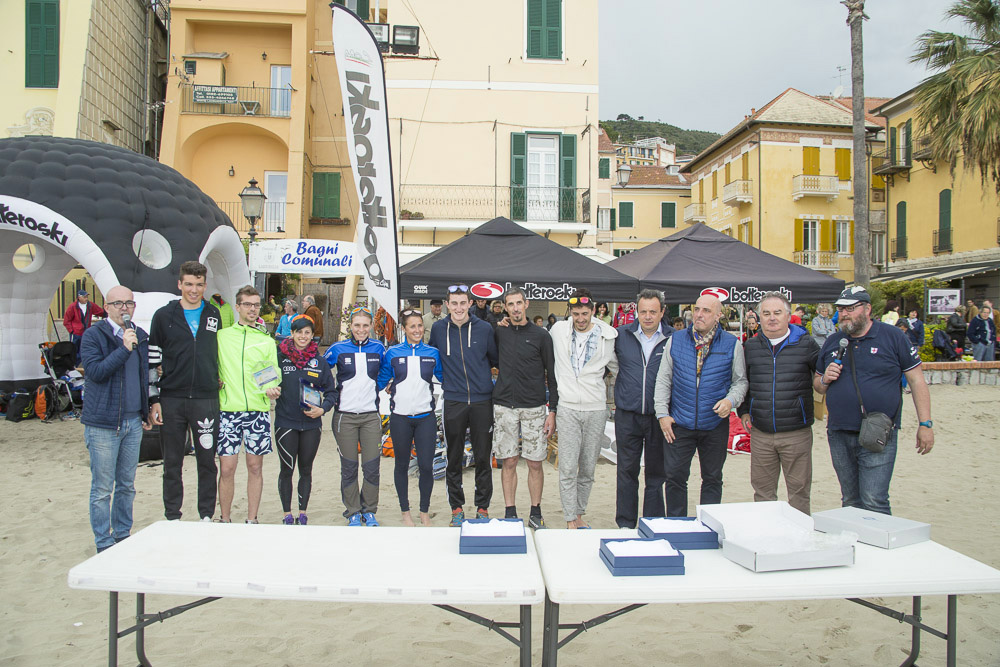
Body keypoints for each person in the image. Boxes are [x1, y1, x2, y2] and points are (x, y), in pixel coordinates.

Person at [814, 286, 934, 515]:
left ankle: (878, 550)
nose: (844, 314)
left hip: (879, 430)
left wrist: (925, 423)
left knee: (874, 500)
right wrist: (825, 379)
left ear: (867, 309)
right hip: (839, 431)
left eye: (850, 308)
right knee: (850, 500)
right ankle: (856, 547)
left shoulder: (893, 337)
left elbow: (917, 381)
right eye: (841, 309)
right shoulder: (834, 341)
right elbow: (818, 384)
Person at [654, 293, 747, 517]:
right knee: (675, 477)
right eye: (697, 309)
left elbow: (740, 381)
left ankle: (709, 526)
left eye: (706, 311)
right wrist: (662, 414)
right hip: (680, 422)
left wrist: (730, 400)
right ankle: (677, 525)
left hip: (714, 424)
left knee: (713, 478)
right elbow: (663, 379)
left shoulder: (732, 344)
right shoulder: (676, 340)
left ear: (718, 316)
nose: (699, 314)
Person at [80, 286, 154, 552]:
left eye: (129, 303)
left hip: (133, 422)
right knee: (102, 488)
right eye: (118, 303)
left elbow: (143, 375)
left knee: (126, 484)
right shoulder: (93, 335)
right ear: (107, 307)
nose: (124, 308)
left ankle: (122, 534)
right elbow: (96, 372)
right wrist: (123, 348)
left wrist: (147, 407)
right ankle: (103, 541)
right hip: (103, 423)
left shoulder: (140, 336)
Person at [148, 261, 221, 522]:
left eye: (199, 285)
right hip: (172, 399)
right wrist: (153, 399)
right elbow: (152, 360)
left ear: (205, 286)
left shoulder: (214, 314)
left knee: (207, 462)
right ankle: (172, 516)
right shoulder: (163, 316)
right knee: (172, 463)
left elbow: (218, 354)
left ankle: (206, 516)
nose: (194, 290)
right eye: (189, 284)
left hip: (206, 399)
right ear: (179, 284)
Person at [738, 292, 820, 515]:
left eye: (777, 313)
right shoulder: (751, 347)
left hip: (796, 432)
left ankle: (800, 538)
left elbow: (822, 378)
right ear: (759, 317)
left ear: (788, 316)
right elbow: (743, 381)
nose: (772, 318)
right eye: (766, 313)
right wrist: (744, 411)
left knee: (799, 492)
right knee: (763, 492)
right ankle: (768, 538)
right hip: (761, 433)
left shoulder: (807, 344)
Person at [429, 285, 498, 526]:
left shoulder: (485, 328)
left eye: (463, 303)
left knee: (483, 456)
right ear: (447, 305)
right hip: (454, 400)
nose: (458, 308)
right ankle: (456, 508)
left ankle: (482, 507)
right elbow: (431, 360)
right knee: (453, 456)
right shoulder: (438, 329)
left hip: (482, 401)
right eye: (454, 303)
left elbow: (495, 360)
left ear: (470, 303)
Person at [549, 289, 617, 529]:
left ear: (594, 310)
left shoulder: (608, 337)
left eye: (584, 313)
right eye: (576, 313)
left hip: (596, 409)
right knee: (567, 467)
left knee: (588, 468)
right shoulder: (558, 331)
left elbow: (618, 370)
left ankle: (579, 514)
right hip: (567, 408)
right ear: (571, 312)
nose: (580, 318)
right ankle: (569, 519)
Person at [494, 287, 558, 529]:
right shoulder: (499, 332)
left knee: (535, 462)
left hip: (534, 408)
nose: (516, 308)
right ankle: (510, 512)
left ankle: (535, 512)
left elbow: (552, 375)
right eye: (511, 304)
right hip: (504, 407)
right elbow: (490, 359)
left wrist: (553, 410)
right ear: (505, 307)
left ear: (526, 304)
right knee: (509, 461)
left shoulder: (542, 336)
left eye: (519, 303)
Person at [216, 286, 281, 524]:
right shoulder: (222, 337)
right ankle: (225, 518)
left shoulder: (265, 340)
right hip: (228, 411)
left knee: (255, 467)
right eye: (247, 304)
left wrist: (272, 388)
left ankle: (252, 519)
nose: (252, 309)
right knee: (227, 469)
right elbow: (210, 365)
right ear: (238, 306)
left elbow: (272, 374)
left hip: (257, 411)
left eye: (256, 305)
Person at [613, 289, 673, 529]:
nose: (647, 316)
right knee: (626, 471)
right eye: (643, 311)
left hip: (659, 417)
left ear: (662, 312)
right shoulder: (620, 335)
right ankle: (625, 523)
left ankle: (653, 522)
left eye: (653, 312)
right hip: (628, 414)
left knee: (657, 473)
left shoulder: (674, 338)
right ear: (636, 311)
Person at [379, 309, 443, 526]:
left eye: (419, 326)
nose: (417, 330)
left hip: (426, 417)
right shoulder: (393, 353)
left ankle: (424, 511)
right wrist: (387, 385)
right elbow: (381, 380)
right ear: (404, 329)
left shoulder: (433, 353)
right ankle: (405, 511)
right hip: (400, 418)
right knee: (402, 465)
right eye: (412, 326)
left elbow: (446, 378)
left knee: (426, 466)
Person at [324, 306, 386, 526]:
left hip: (370, 416)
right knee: (349, 466)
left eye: (365, 325)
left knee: (371, 466)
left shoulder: (379, 347)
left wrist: (382, 386)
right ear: (350, 326)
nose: (361, 329)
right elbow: (320, 370)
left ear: (371, 326)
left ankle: (369, 511)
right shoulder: (337, 348)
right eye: (357, 325)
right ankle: (352, 511)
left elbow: (387, 372)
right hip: (344, 417)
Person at [275, 317, 335, 526]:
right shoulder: (279, 357)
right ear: (291, 333)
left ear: (312, 335)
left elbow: (331, 392)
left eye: (307, 332)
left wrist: (323, 409)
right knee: (286, 469)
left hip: (311, 425)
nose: (303, 336)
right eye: (299, 332)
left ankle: (302, 512)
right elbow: (264, 377)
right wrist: (269, 389)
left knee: (306, 469)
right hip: (286, 422)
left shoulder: (319, 362)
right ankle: (286, 513)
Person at [64, 289, 106, 365]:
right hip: (76, 333)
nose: (86, 298)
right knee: (75, 351)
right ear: (79, 297)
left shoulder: (90, 305)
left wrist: (108, 314)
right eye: (84, 297)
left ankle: (83, 365)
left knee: (85, 350)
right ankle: (75, 366)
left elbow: (100, 311)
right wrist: (71, 331)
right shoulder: (73, 307)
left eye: (86, 297)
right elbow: (67, 320)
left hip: (86, 332)